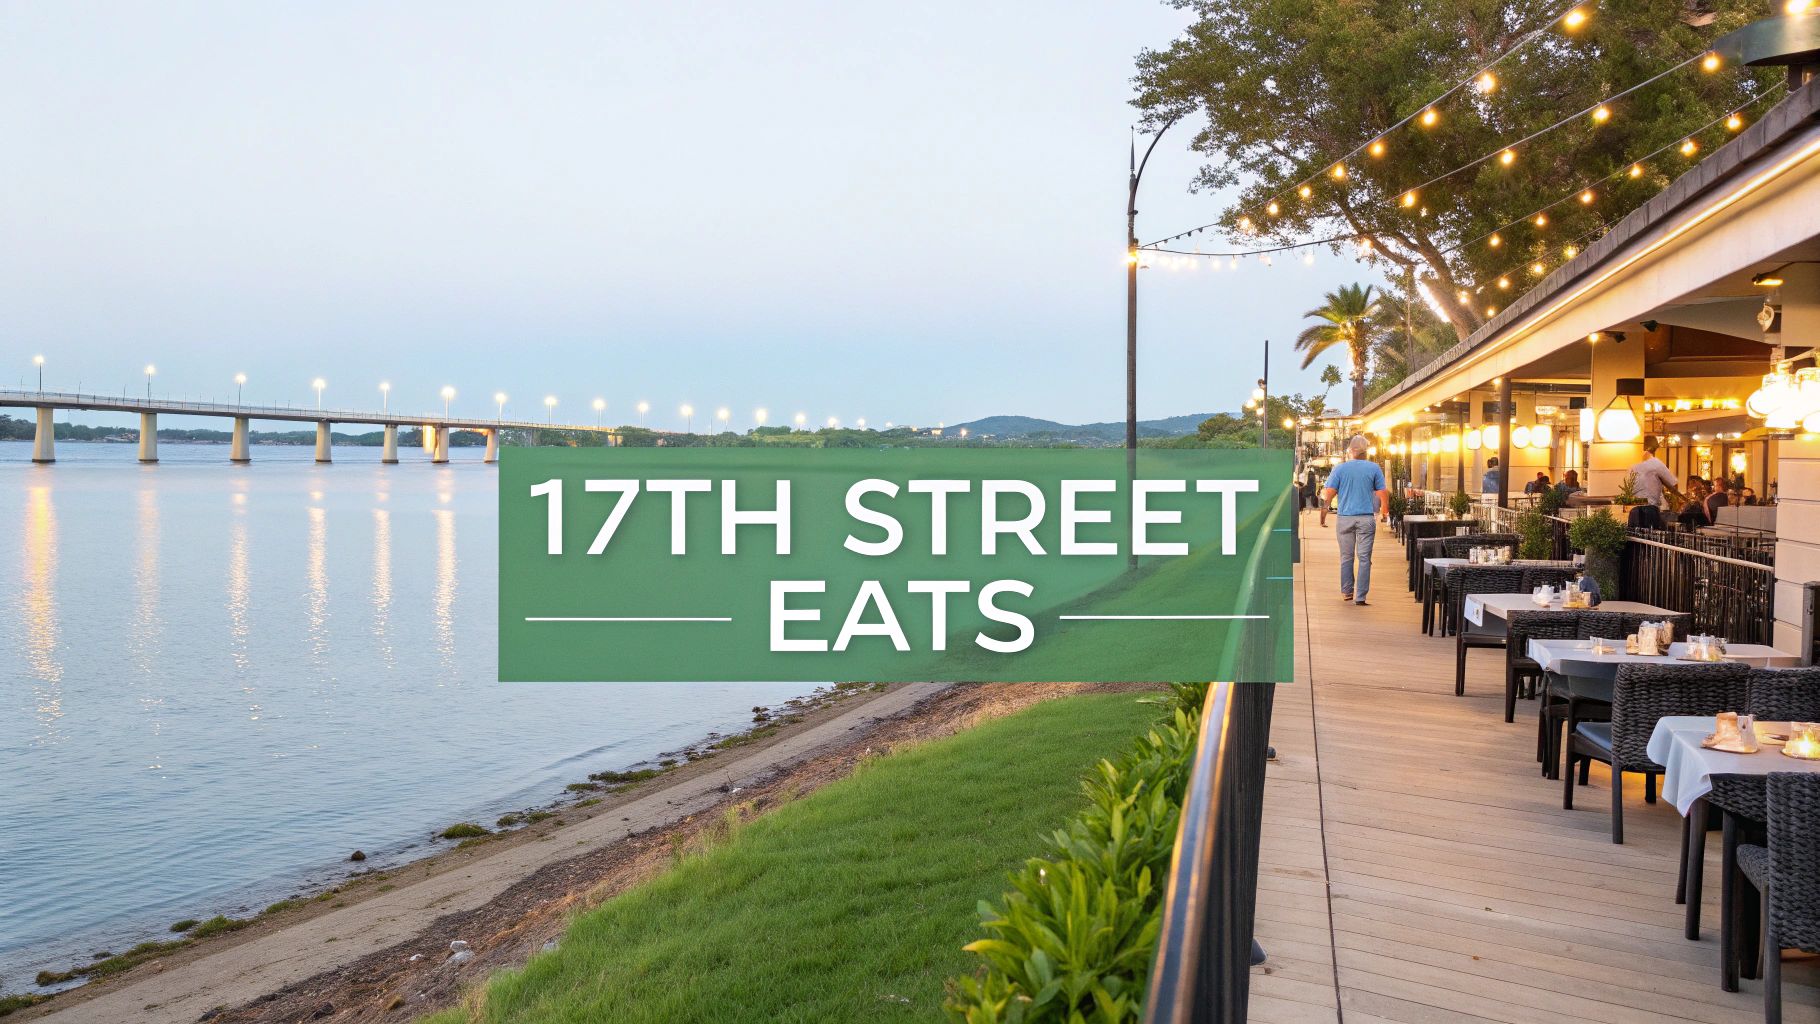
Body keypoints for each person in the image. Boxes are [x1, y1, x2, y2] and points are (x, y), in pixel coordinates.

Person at [1319, 435, 1388, 606]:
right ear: (1366, 451)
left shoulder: (1340, 469)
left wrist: (1324, 512)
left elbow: (1330, 493)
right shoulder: (1374, 468)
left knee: (1346, 557)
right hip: (1365, 518)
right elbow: (1382, 493)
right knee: (1364, 558)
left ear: (1350, 450)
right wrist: (1385, 512)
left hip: (1344, 518)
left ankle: (1347, 592)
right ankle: (1361, 596)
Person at [1630, 436, 1682, 508]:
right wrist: (1684, 500)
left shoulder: (1632, 464)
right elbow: (1672, 485)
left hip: (1633, 506)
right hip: (1650, 507)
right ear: (1653, 448)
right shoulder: (1656, 463)